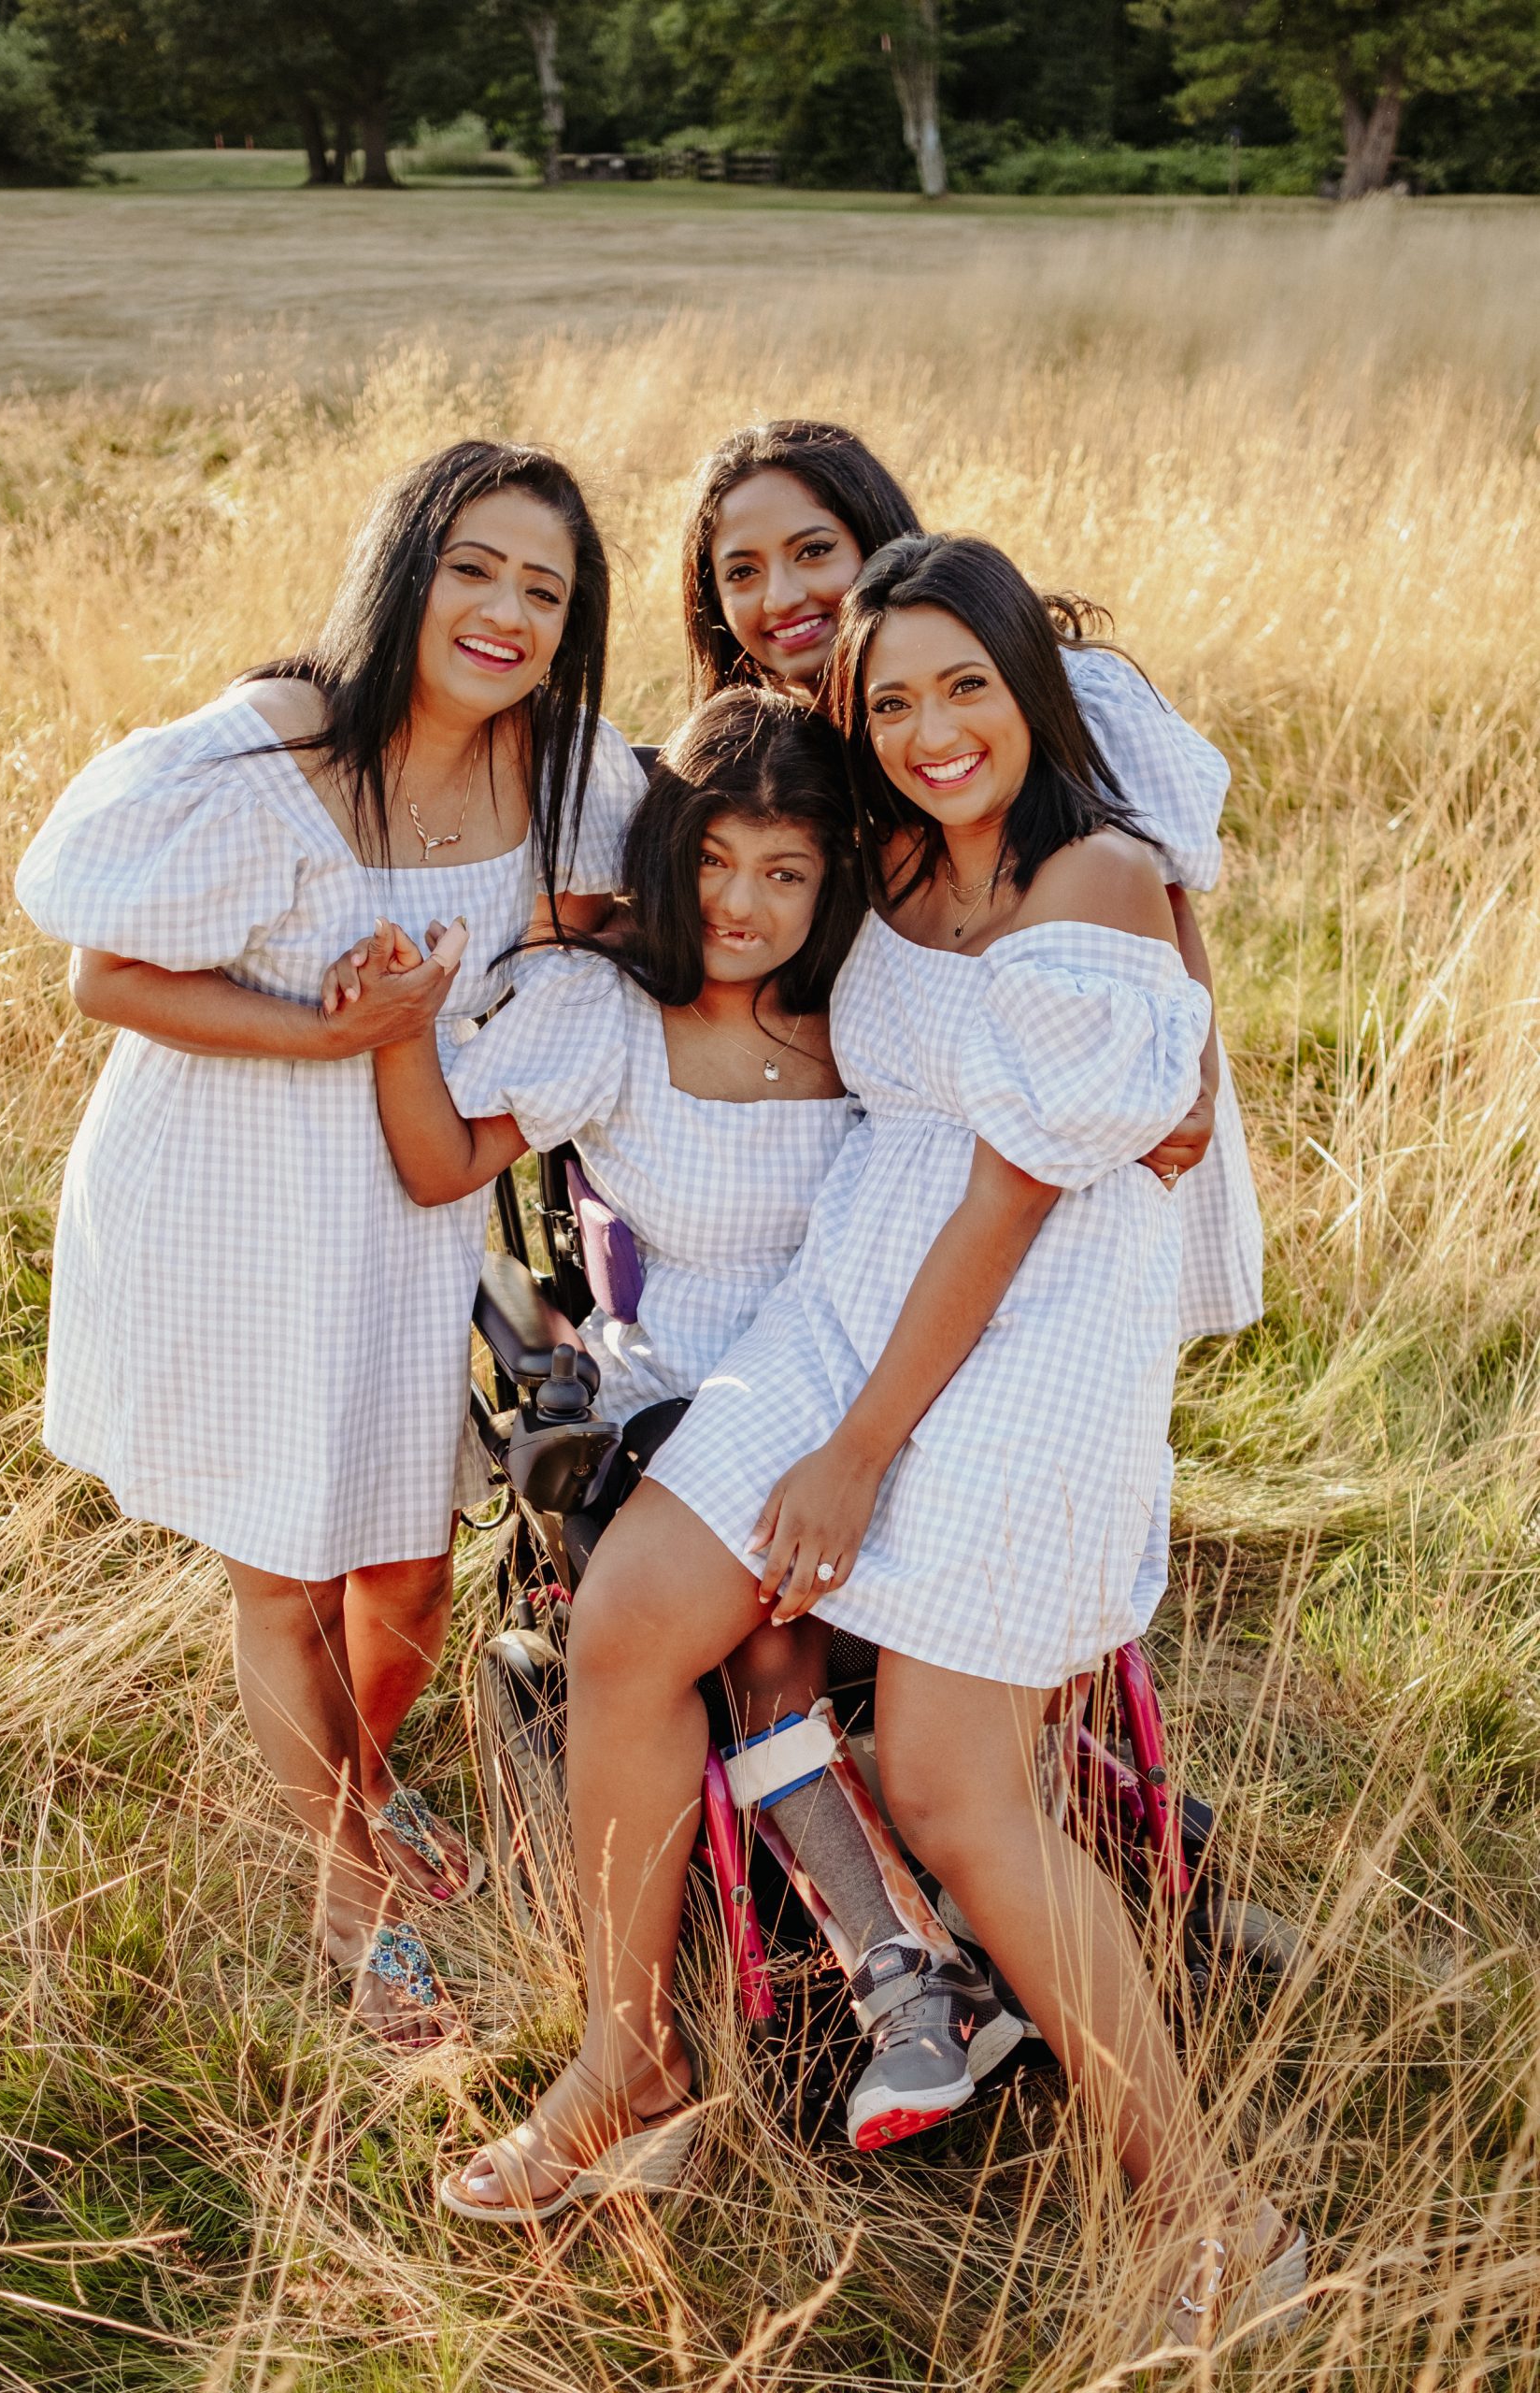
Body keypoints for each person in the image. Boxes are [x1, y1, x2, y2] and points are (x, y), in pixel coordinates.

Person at [436, 535, 1306, 2355]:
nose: (925, 729)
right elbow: (694, 834)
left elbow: (1004, 1194)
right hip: (843, 1299)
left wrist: (853, 1453)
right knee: (623, 1618)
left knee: (946, 1783)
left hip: (1020, 1337)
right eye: (889, 698)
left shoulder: (1096, 871)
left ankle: (1208, 2201)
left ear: (1025, 685)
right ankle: (634, 2053)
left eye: (961, 686)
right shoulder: (890, 850)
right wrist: (600, 926)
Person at [14, 440, 645, 2046]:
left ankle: (357, 1782)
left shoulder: (562, 770)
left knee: (412, 1572)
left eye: (543, 589)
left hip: (398, 1205)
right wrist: (339, 1031)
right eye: (473, 568)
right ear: (406, 572)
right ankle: (345, 1886)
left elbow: (670, 880)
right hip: (223, 1192)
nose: (503, 611)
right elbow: (100, 969)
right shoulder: (285, 749)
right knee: (287, 1571)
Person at [339, 685, 1025, 2154]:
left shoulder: (867, 1018)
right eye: (713, 861)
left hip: (879, 1377)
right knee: (763, 1631)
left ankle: (989, 1911)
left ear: (833, 879)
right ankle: (896, 1974)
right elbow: (440, 1159)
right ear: (670, 857)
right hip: (687, 1393)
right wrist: (403, 1027)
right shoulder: (611, 1018)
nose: (742, 903)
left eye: (784, 873)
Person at [680, 417, 1262, 1345]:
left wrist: (1196, 1075)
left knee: (1074, 1343)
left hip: (1089, 1090)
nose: (782, 594)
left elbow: (1160, 888)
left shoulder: (1044, 692)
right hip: (930, 1148)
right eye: (741, 571)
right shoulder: (781, 756)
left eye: (814, 550)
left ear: (877, 542)